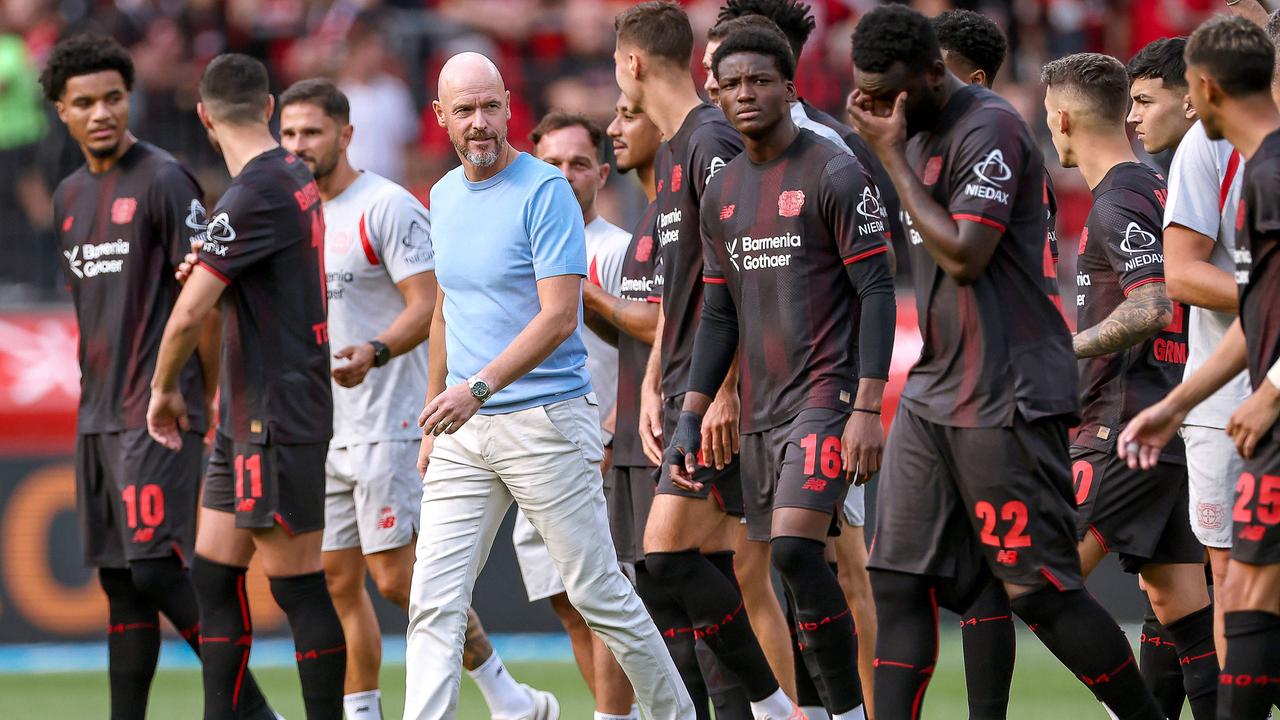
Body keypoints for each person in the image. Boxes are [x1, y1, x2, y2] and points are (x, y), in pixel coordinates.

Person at [847, 6, 1165, 720]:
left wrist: (890, 156)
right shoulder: (914, 127)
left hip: (1007, 387)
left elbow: (964, 255)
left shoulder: (988, 126)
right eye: (866, 95)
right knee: (895, 581)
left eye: (889, 92)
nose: (879, 109)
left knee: (1041, 592)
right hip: (936, 387)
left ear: (934, 73)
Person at [402, 51, 692, 720]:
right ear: (440, 118)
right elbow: (446, 308)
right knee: (433, 602)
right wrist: (434, 413)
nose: (480, 123)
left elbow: (561, 315)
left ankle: (675, 715)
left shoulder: (545, 191)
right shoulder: (442, 196)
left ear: (509, 105)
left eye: (490, 107)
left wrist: (474, 388)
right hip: (463, 432)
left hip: (545, 420)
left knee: (600, 595)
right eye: (464, 110)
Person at [276, 77, 553, 720]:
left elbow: (430, 304)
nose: (298, 145)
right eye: (288, 133)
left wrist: (375, 350)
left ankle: (507, 696)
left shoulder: (387, 206)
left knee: (398, 579)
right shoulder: (292, 212)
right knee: (340, 581)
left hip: (387, 417)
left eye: (312, 132)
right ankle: (363, 711)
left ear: (345, 134)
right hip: (325, 424)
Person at [42, 34, 279, 720]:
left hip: (159, 412)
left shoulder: (166, 180)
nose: (101, 113)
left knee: (155, 567)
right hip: (98, 417)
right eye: (83, 102)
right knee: (122, 583)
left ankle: (257, 712)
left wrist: (194, 395)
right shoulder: (66, 196)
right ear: (61, 111)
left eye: (113, 97)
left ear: (129, 97)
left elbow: (205, 299)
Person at [671, 23, 897, 720]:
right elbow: (717, 317)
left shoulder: (833, 171)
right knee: (769, 566)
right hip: (762, 413)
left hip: (826, 400)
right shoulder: (723, 191)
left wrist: (865, 408)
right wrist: (691, 411)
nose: (746, 93)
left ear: (790, 88)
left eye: (761, 81)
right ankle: (806, 710)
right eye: (733, 83)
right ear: (715, 91)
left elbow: (879, 293)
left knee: (798, 556)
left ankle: (847, 712)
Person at [147, 53, 346, 720]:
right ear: (267, 109)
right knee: (212, 576)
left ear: (203, 117)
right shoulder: (292, 174)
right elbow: (253, 279)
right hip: (248, 412)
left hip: (276, 412)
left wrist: (162, 391)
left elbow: (187, 315)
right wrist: (211, 269)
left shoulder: (252, 191)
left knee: (298, 589)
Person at [614, 4, 799, 718]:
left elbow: (744, 271)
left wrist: (722, 390)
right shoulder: (670, 151)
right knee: (691, 573)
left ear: (632, 64)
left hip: (726, 391)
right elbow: (681, 285)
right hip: (686, 386)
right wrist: (655, 380)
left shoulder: (712, 140)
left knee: (669, 561)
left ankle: (779, 708)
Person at [1042, 52, 1218, 720]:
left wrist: (1064, 351)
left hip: (1124, 427)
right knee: (1181, 607)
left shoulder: (1115, 200)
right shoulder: (1155, 190)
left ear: (1060, 118)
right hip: (1171, 426)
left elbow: (1152, 307)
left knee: (1040, 583)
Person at [1121, 15, 1280, 719]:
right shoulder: (1225, 159)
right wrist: (1182, 400)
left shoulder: (1268, 168)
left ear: (1204, 91)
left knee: (1245, 584)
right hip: (1232, 404)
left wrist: (1272, 387)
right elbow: (1257, 301)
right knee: (1236, 580)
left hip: (1258, 401)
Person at [511, 109, 635, 720]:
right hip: (532, 447)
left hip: (599, 446)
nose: (564, 175)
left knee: (604, 601)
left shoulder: (615, 252)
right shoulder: (517, 248)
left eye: (579, 163)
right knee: (566, 604)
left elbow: (650, 351)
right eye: (551, 163)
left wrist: (616, 427)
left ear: (602, 174)